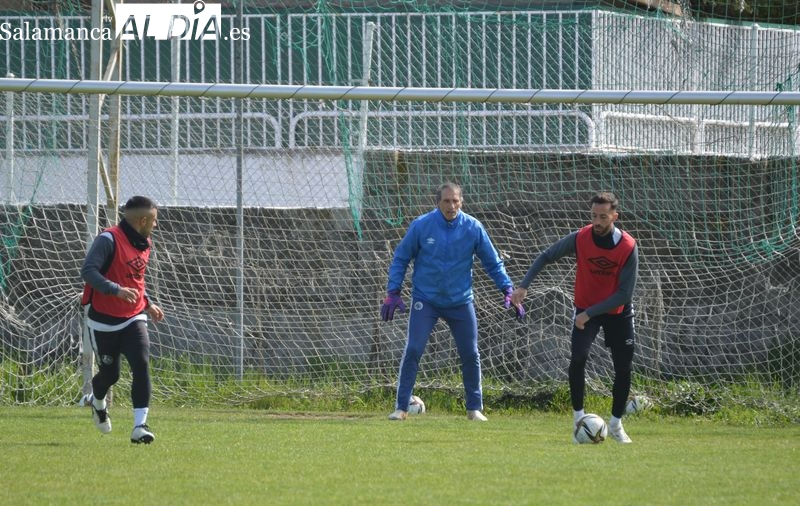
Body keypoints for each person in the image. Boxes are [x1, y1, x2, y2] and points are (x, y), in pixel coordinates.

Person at [381, 182, 524, 422]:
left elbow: (492, 261)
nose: (451, 205)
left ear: (462, 202)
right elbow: (401, 257)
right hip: (426, 300)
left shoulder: (473, 227)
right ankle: (401, 407)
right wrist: (393, 291)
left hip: (460, 301)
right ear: (438, 202)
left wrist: (507, 288)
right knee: (414, 349)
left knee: (470, 352)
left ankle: (474, 408)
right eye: (446, 201)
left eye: (455, 201)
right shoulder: (421, 226)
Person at [511, 191, 638, 443]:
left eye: (603, 217)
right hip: (585, 310)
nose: (598, 222)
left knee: (623, 369)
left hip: (617, 314)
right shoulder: (580, 238)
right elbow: (547, 256)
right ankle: (578, 420)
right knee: (578, 358)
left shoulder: (627, 246)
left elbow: (624, 294)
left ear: (615, 216)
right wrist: (524, 285)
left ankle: (616, 425)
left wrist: (588, 314)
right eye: (593, 216)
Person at [80, 195, 164, 444]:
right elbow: (88, 271)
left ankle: (140, 427)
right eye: (154, 220)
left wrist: (147, 304)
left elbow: (134, 278)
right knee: (110, 375)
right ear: (142, 220)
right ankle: (97, 401)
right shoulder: (108, 239)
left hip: (133, 316)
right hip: (104, 319)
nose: (156, 225)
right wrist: (115, 290)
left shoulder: (143, 241)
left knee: (141, 361)